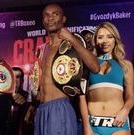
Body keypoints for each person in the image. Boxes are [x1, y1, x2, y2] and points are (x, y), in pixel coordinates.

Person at [33, 4, 100, 135]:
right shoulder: (42, 49)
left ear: (63, 19)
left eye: (55, 14)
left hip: (59, 108)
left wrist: (72, 39)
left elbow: (95, 67)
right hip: (41, 110)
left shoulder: (71, 44)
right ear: (42, 21)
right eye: (46, 15)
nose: (50, 18)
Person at [80, 22, 134, 135]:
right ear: (95, 41)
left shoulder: (126, 65)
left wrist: (125, 110)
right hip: (93, 125)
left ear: (115, 39)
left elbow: (130, 96)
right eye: (100, 37)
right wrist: (86, 125)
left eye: (109, 37)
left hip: (118, 124)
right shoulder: (87, 65)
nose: (105, 41)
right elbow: (82, 97)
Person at [7, 67, 28, 135]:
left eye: (18, 77)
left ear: (22, 80)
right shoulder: (2, 97)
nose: (15, 80)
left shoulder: (27, 97)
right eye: (12, 77)